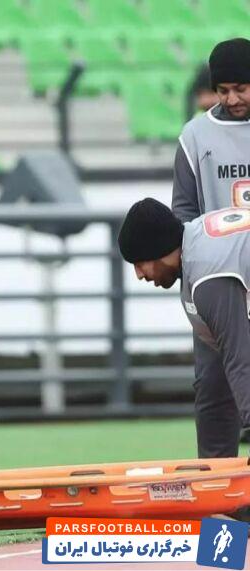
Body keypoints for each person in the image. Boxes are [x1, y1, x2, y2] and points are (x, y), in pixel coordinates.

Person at [118, 199, 250, 456]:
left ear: (158, 248)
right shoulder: (198, 238)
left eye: (139, 262)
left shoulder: (208, 275)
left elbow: (241, 358)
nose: (139, 274)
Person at [171, 37, 250, 458]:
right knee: (214, 392)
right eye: (223, 90)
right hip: (222, 283)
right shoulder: (195, 136)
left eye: (242, 88)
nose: (232, 99)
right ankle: (220, 498)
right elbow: (183, 212)